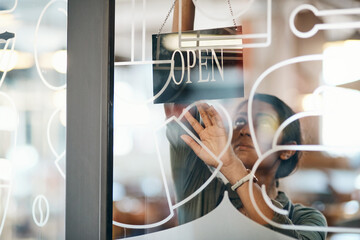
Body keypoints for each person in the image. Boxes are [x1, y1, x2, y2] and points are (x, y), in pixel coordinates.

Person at [165, 94, 327, 239]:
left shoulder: (307, 219)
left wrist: (231, 166)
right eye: (240, 121)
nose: (245, 130)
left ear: (287, 150)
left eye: (263, 123)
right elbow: (181, 117)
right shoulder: (202, 191)